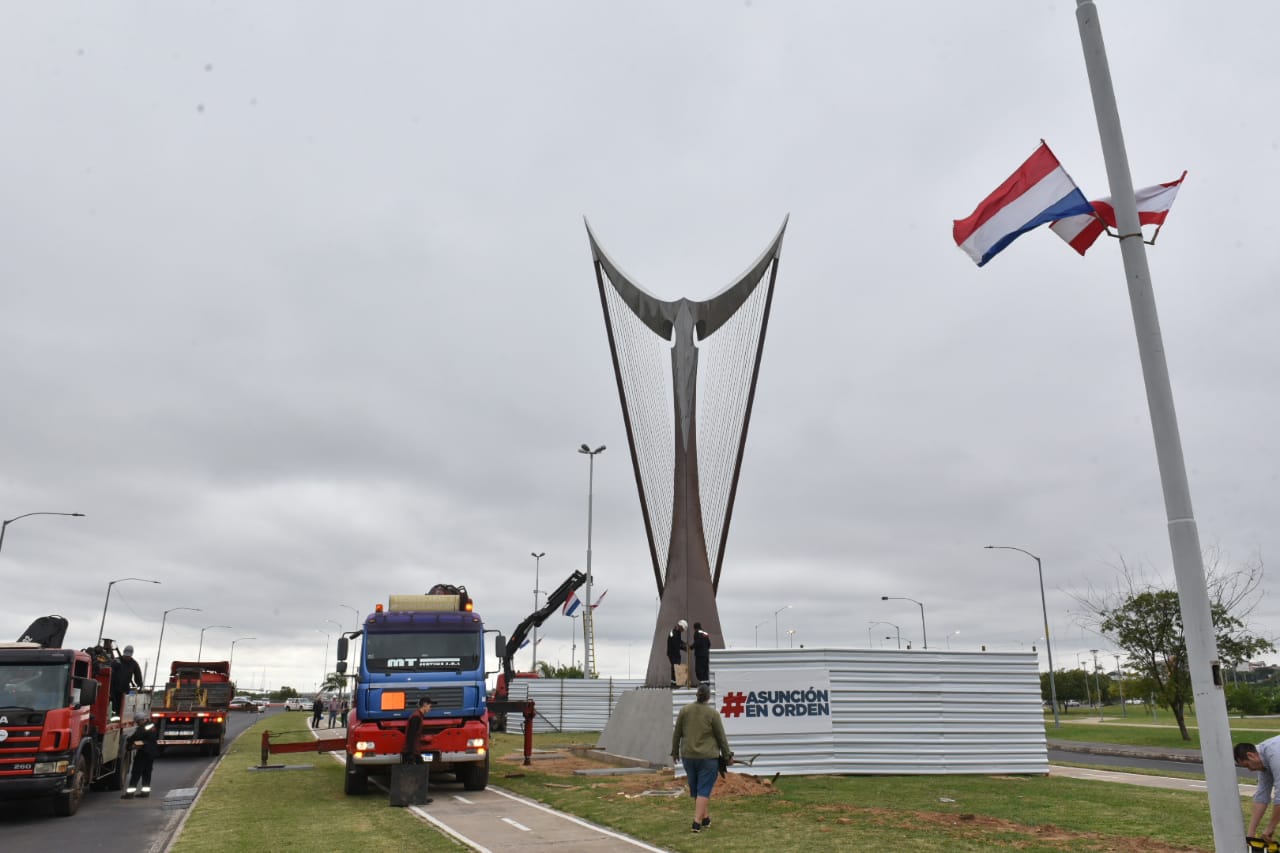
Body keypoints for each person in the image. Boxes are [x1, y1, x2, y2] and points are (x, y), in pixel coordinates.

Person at [671, 684, 732, 833]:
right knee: (703, 789)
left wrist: (674, 752)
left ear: (697, 695)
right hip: (707, 758)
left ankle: (705, 818)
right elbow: (721, 738)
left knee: (697, 789)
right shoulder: (712, 714)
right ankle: (696, 823)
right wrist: (727, 756)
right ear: (708, 697)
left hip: (688, 756)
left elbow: (677, 733)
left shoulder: (684, 711)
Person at [1236, 738, 1280, 840]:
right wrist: (1250, 834)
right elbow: (1262, 796)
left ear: (1251, 755)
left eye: (1247, 765)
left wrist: (1270, 828)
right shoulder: (1261, 759)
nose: (1250, 770)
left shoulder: (1275, 754)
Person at [400, 695, 435, 806]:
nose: (430, 708)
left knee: (418, 774)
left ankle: (418, 797)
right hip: (412, 751)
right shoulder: (416, 717)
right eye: (429, 706)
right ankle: (414, 798)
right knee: (416, 775)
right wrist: (410, 753)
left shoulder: (418, 716)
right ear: (424, 705)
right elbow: (411, 736)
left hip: (414, 751)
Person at [123, 712, 160, 799]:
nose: (137, 723)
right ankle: (145, 792)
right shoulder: (151, 726)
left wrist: (128, 745)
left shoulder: (144, 727)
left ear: (142, 720)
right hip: (151, 752)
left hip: (144, 752)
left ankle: (130, 794)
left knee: (136, 772)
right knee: (147, 772)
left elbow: (136, 736)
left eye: (138, 722)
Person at [111, 645, 145, 719]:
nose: (127, 657)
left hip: (124, 688)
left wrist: (139, 685)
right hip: (113, 687)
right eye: (126, 655)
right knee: (113, 701)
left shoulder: (134, 664)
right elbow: (110, 670)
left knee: (121, 703)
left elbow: (138, 675)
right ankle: (114, 715)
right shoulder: (116, 661)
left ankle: (118, 716)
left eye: (128, 656)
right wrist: (114, 665)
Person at [667, 620, 688, 688]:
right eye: (682, 629)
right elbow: (676, 644)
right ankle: (674, 684)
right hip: (673, 653)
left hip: (675, 653)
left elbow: (679, 641)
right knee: (675, 667)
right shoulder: (673, 633)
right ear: (680, 626)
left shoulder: (677, 632)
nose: (682, 631)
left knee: (676, 667)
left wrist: (684, 644)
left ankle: (675, 683)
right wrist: (684, 648)